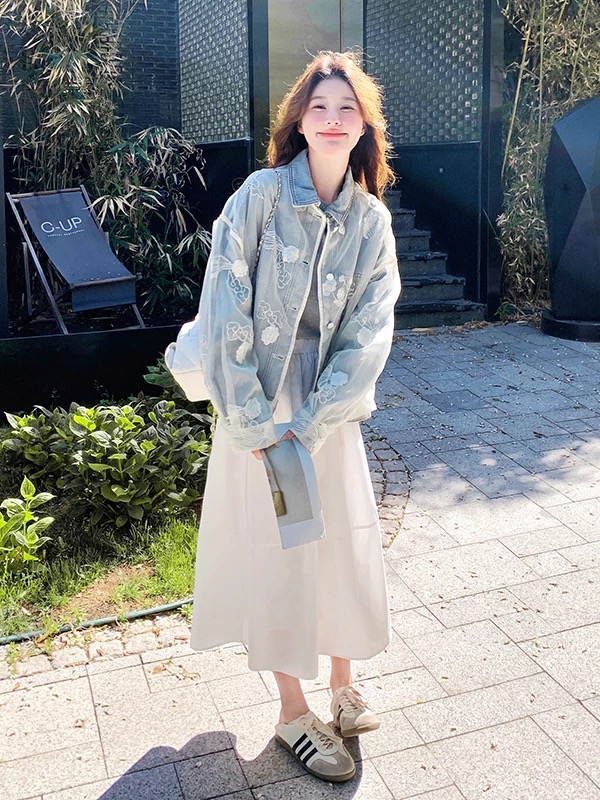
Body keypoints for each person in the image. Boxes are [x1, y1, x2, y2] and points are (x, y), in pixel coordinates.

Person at [190, 50, 401, 783]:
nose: (333, 119)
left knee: (339, 539)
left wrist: (311, 423)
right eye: (320, 107)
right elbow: (225, 304)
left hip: (326, 413)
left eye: (347, 108)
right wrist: (254, 424)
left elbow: (370, 333)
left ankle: (343, 684)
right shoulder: (259, 196)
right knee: (280, 551)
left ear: (364, 126)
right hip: (258, 409)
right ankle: (290, 711)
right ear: (300, 122)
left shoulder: (371, 221)